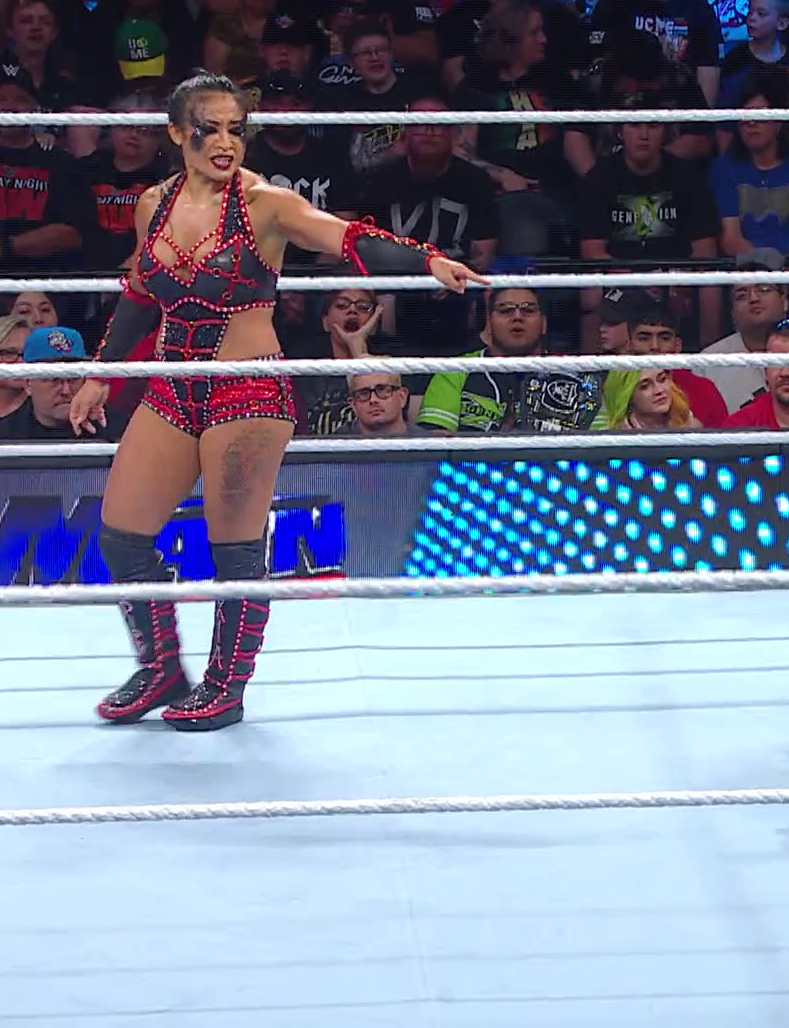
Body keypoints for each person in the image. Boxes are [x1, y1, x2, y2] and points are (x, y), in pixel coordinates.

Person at [69, 72, 484, 732]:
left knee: (233, 547)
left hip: (247, 390)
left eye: (236, 129)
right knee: (121, 535)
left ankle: (226, 686)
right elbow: (142, 292)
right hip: (172, 385)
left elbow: (345, 237)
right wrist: (100, 374)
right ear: (176, 133)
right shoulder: (153, 204)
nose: (225, 142)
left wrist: (428, 260)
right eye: (208, 129)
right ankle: (161, 667)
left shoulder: (265, 204)